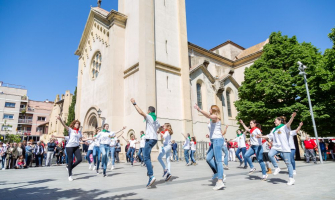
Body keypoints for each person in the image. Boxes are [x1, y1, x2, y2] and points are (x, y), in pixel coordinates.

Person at [130, 98, 161, 188]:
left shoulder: (150, 116)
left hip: (150, 139)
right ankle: (149, 166)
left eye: (147, 110)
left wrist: (134, 103)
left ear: (149, 111)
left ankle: (151, 176)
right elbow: (160, 127)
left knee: (145, 157)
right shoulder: (156, 119)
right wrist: (159, 131)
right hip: (154, 139)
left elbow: (141, 112)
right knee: (147, 155)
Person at [194, 103, 225, 190]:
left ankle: (220, 181)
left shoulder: (215, 117)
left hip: (217, 140)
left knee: (219, 161)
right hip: (213, 140)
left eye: (210, 109)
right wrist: (209, 135)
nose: (209, 110)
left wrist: (199, 109)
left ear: (214, 110)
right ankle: (218, 173)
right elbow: (215, 128)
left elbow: (208, 116)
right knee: (208, 158)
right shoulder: (212, 119)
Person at [259, 113, 296, 185]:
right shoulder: (274, 129)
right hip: (276, 147)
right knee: (270, 154)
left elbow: (289, 123)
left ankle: (291, 178)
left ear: (280, 121)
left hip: (284, 147)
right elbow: (269, 136)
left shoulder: (284, 127)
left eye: (275, 120)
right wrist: (260, 136)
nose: (274, 122)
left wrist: (292, 117)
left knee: (288, 163)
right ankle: (277, 167)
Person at [56, 116, 84, 181]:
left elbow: (82, 139)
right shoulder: (71, 130)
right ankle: (70, 175)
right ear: (74, 124)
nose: (77, 125)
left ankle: (69, 167)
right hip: (69, 146)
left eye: (78, 124)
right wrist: (60, 120)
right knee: (70, 160)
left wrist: (87, 141)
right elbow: (64, 125)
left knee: (79, 159)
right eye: (76, 123)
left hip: (76, 146)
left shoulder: (79, 132)